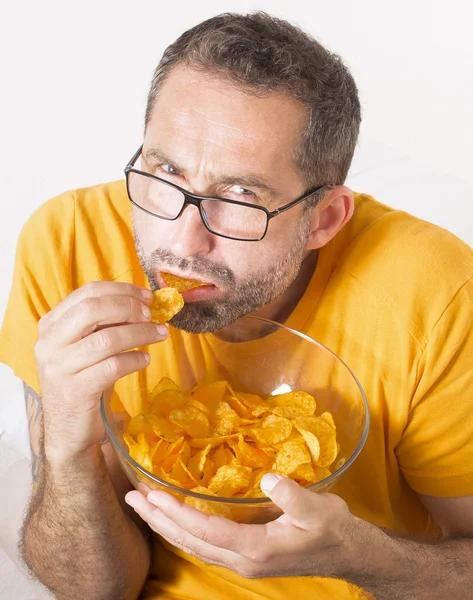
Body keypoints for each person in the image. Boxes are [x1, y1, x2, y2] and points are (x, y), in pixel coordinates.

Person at [1, 10, 473, 600]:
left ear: (323, 219)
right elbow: (95, 590)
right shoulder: (65, 244)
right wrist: (67, 449)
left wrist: (360, 556)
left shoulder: (435, 291)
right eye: (165, 171)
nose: (179, 241)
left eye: (241, 196)